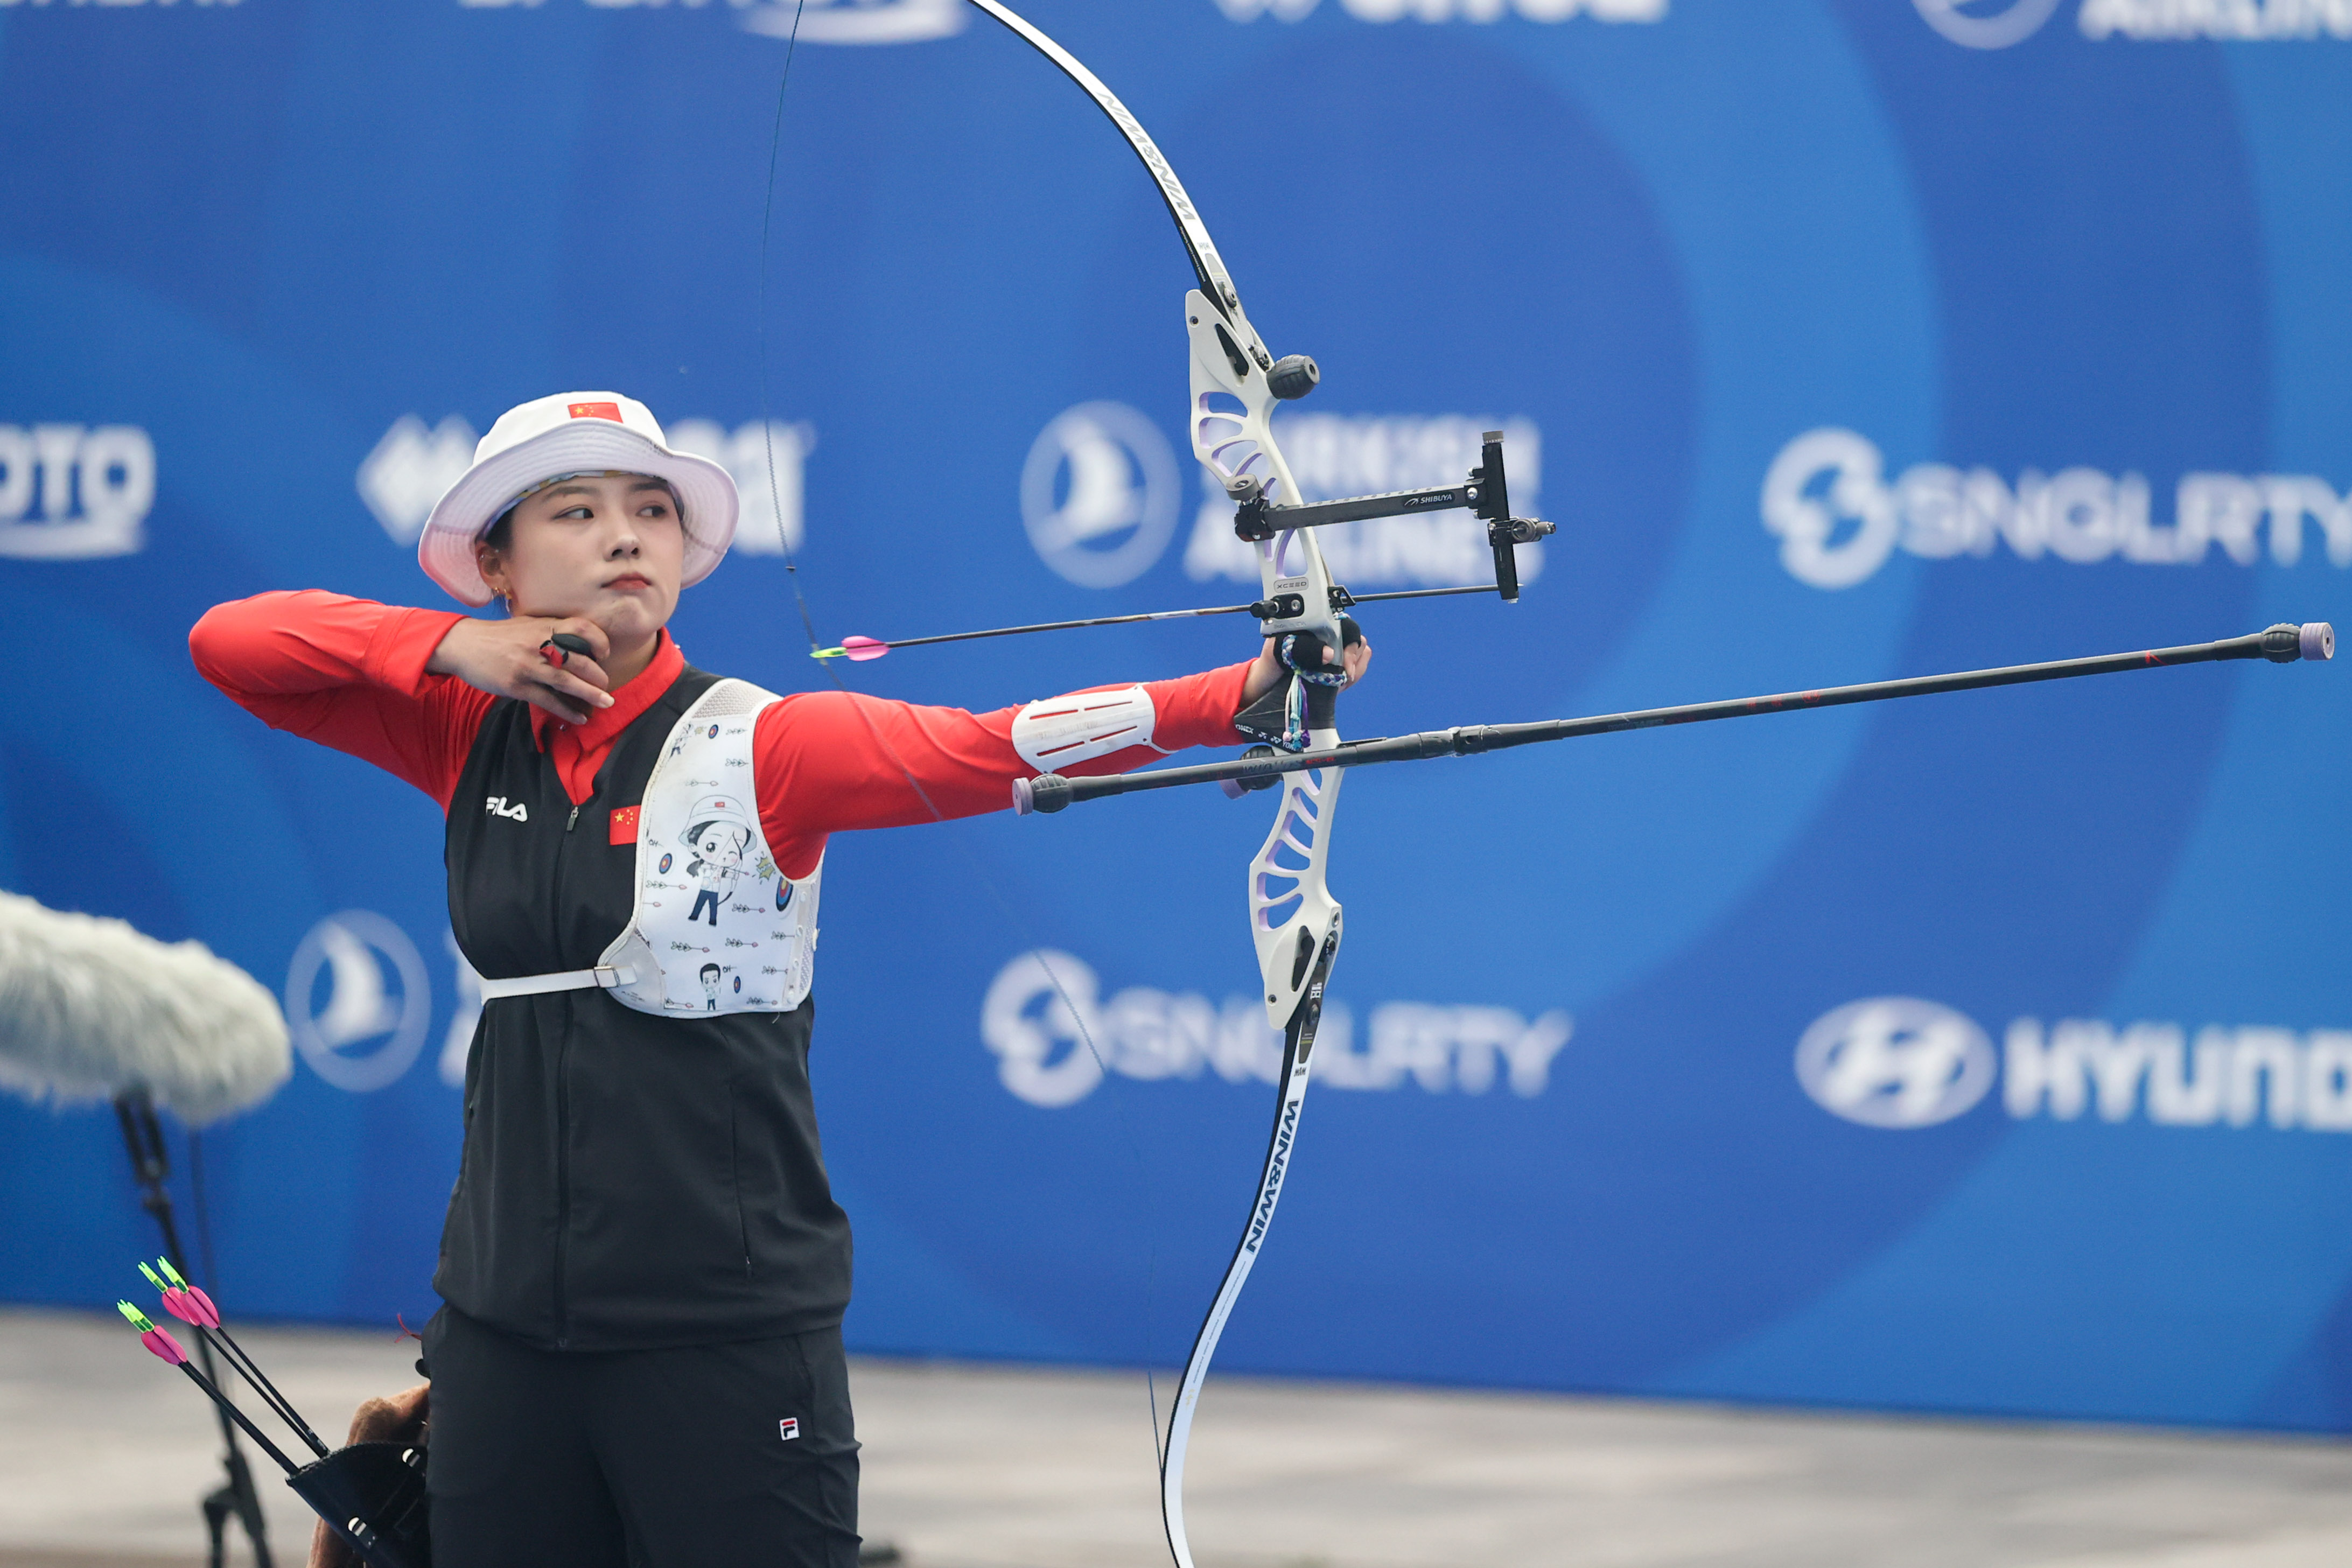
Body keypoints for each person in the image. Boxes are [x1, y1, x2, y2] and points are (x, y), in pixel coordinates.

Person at [188, 391, 1369, 1568]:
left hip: (724, 1334)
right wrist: (451, 646)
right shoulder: (463, 728)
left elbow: (988, 744)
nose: (625, 536)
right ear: (495, 561)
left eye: (651, 510)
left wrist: (1237, 696)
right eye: (577, 510)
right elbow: (233, 645)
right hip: (500, 1333)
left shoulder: (763, 745)